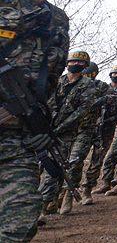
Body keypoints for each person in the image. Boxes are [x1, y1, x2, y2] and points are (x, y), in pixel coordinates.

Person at [0, 0, 83, 243]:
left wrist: (37, 123)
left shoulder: (57, 19)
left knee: (21, 219)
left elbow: (49, 77)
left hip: (16, 133)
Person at [38, 50, 100, 217]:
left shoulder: (88, 85)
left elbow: (82, 110)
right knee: (46, 166)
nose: (75, 64)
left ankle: (59, 200)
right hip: (50, 131)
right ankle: (45, 204)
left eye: (80, 63)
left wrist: (60, 127)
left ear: (85, 66)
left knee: (68, 166)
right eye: (73, 62)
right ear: (67, 63)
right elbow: (45, 102)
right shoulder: (56, 81)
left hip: (72, 132)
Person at [82, 63, 117, 200]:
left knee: (99, 159)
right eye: (115, 73)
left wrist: (114, 119)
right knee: (77, 158)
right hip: (90, 126)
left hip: (107, 129)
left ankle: (89, 187)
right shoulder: (100, 87)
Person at [74, 61, 117, 206]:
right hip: (80, 129)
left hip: (101, 128)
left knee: (97, 160)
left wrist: (103, 100)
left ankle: (87, 189)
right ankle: (69, 191)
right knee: (75, 160)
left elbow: (115, 97)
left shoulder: (100, 86)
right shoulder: (74, 85)